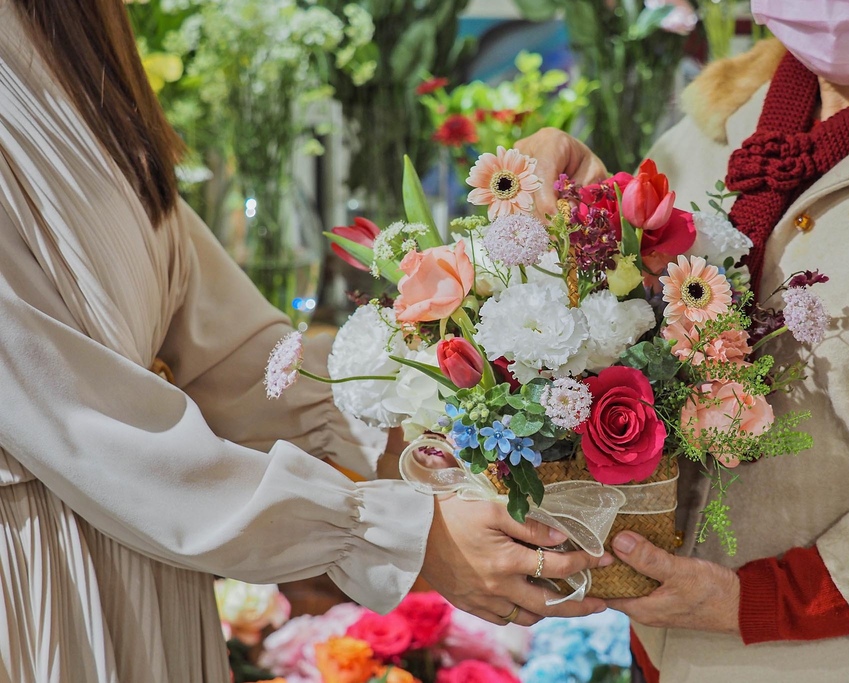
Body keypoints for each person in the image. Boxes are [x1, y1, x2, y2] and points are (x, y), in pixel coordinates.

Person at [0, 2, 611, 681]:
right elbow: (89, 426)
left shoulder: (58, 34)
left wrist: (414, 413)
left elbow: (231, 352)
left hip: (140, 558)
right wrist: (398, 532)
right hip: (49, 570)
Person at [517, 1, 849, 681]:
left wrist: (759, 600)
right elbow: (636, 345)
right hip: (664, 653)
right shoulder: (710, 131)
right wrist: (587, 210)